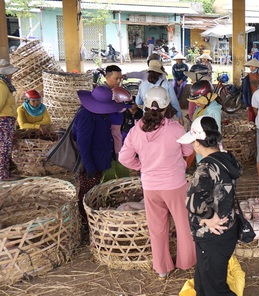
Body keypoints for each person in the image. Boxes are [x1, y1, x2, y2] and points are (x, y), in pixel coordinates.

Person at [179, 116, 257, 296]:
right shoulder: (226, 158)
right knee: (203, 283)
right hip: (227, 231)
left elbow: (194, 203)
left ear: (197, 142)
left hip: (212, 237)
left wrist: (207, 218)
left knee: (216, 291)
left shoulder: (205, 168)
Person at [119, 86, 195, 279]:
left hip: (151, 186)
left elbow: (124, 158)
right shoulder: (175, 128)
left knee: (157, 228)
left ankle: (162, 269)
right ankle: (186, 263)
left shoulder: (136, 130)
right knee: (183, 223)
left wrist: (142, 166)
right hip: (175, 185)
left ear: (144, 105)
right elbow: (188, 151)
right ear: (166, 105)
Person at [74, 86, 130, 222]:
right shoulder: (86, 116)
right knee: (88, 194)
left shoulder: (99, 114)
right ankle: (86, 221)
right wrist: (89, 166)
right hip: (91, 162)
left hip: (100, 159)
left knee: (96, 191)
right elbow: (83, 143)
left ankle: (93, 219)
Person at [135, 60, 183, 125]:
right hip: (164, 117)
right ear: (161, 73)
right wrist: (179, 116)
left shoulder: (142, 85)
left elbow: (138, 102)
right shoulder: (167, 84)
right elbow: (174, 102)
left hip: (147, 117)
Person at [0, 59, 18, 181]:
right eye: (10, 72)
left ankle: (4, 175)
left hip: (6, 121)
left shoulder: (5, 84)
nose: (12, 74)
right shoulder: (2, 85)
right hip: (3, 122)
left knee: (5, 149)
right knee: (3, 149)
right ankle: (2, 177)